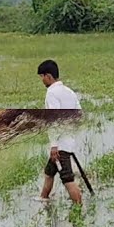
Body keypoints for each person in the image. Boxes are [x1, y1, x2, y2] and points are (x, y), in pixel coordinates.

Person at [36, 59, 84, 205]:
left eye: (42, 77)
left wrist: (54, 145)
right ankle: (44, 199)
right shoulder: (69, 92)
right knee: (49, 173)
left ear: (48, 76)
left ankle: (79, 205)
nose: (42, 80)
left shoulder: (51, 93)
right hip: (68, 140)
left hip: (60, 146)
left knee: (67, 177)